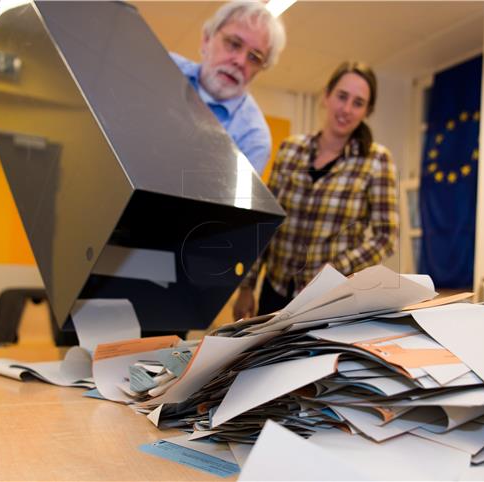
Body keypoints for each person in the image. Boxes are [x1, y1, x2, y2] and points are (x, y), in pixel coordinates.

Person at [233, 61, 399, 319]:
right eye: (342, 97)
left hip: (330, 297)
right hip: (275, 290)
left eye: (358, 103)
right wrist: (247, 286)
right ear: (326, 96)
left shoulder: (376, 160)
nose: (346, 109)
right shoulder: (290, 150)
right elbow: (267, 222)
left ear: (367, 111)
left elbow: (385, 236)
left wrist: (335, 268)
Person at [170, 1, 286, 175]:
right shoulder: (163, 67)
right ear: (206, 39)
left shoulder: (253, 139)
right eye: (234, 44)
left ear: (260, 70)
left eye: (254, 58)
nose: (240, 61)